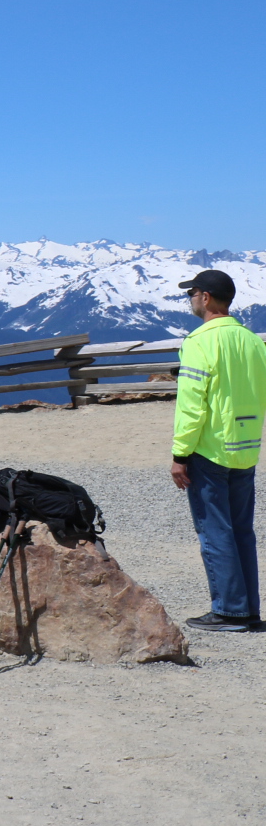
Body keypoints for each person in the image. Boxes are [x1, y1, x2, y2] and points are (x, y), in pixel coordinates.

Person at [169, 269, 266, 632]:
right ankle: (248, 610)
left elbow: (191, 405)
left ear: (206, 297)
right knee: (241, 531)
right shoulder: (253, 341)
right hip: (246, 448)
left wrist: (180, 454)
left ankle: (228, 611)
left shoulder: (199, 342)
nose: (190, 300)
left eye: (191, 293)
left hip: (210, 450)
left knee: (215, 530)